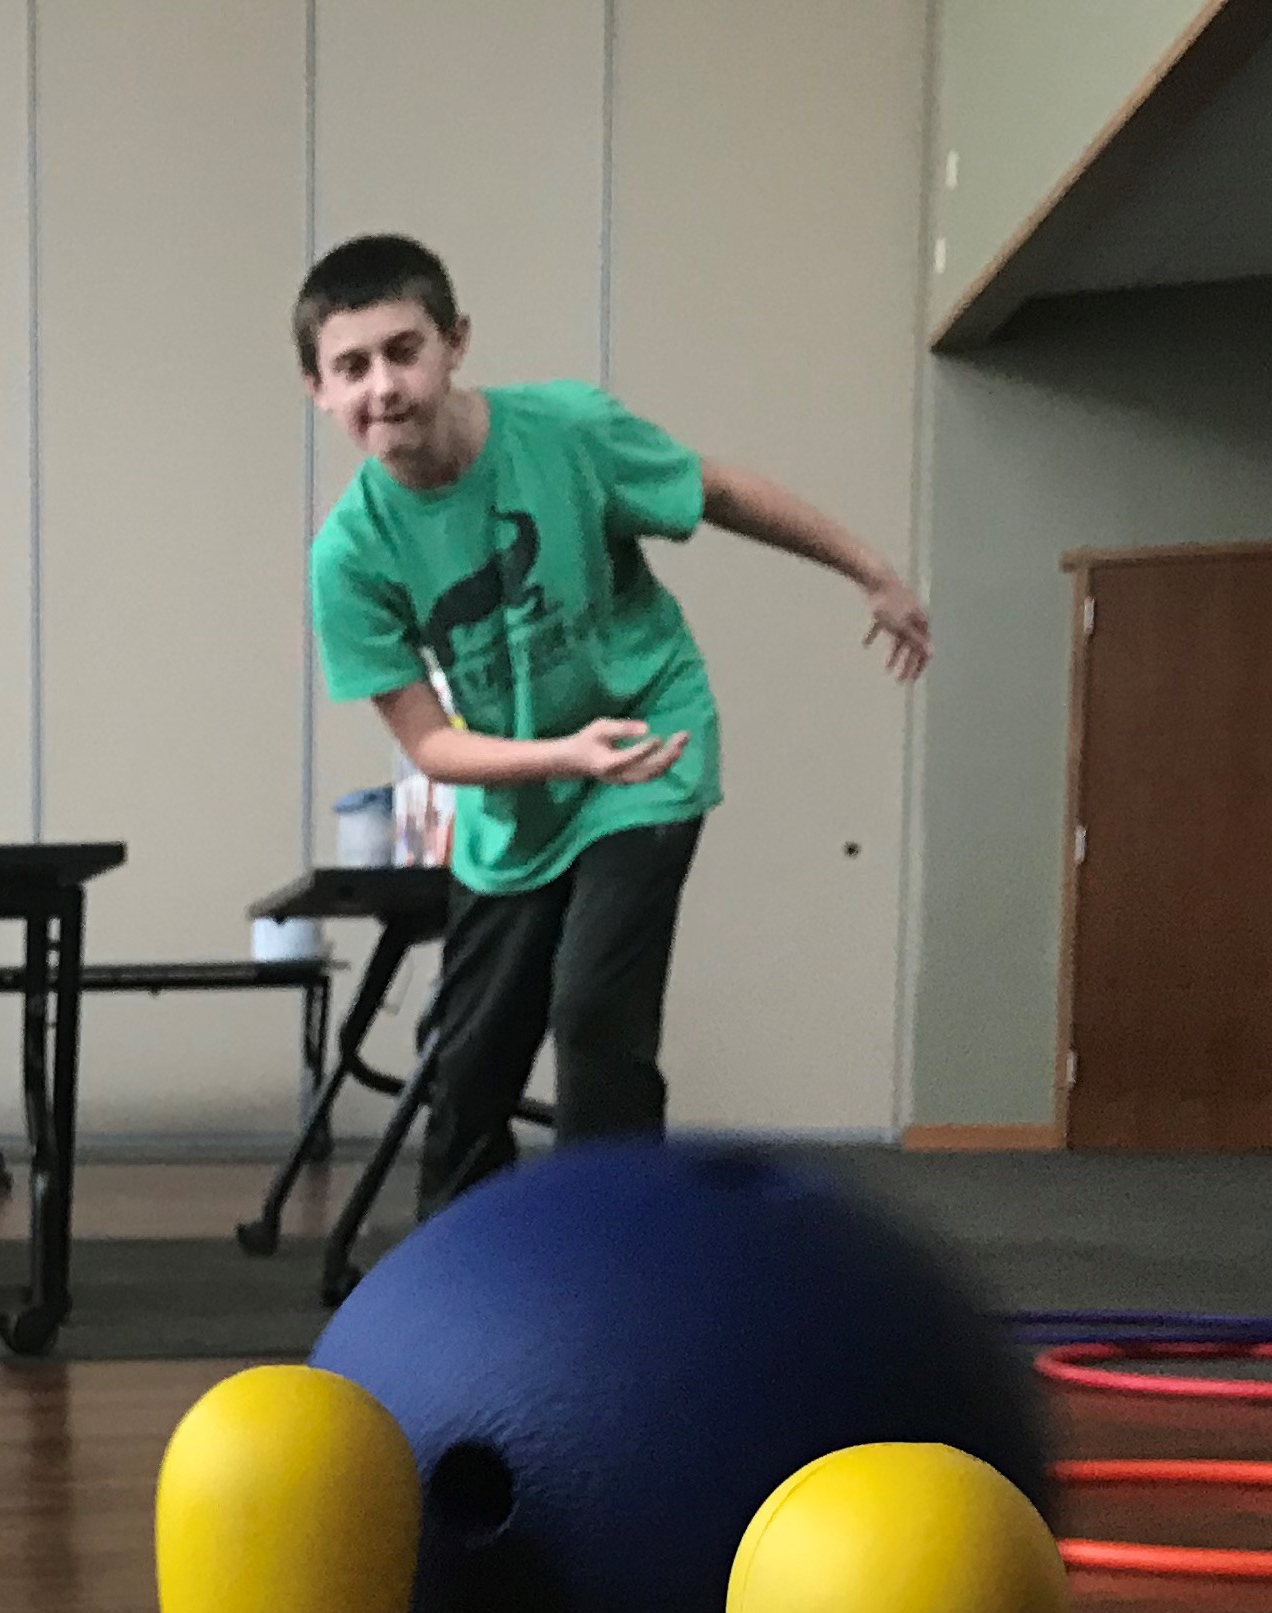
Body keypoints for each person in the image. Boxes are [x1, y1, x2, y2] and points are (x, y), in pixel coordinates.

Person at [297, 234, 927, 1213]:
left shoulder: (564, 432)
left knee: (593, 1011)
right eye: (352, 367)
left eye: (403, 350)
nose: (383, 386)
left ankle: (616, 1252)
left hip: (644, 741)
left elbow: (716, 491)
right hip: (523, 795)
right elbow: (429, 744)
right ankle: (456, 1275)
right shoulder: (349, 555)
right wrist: (561, 754)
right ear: (320, 390)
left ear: (455, 342)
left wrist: (871, 570)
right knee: (467, 1065)